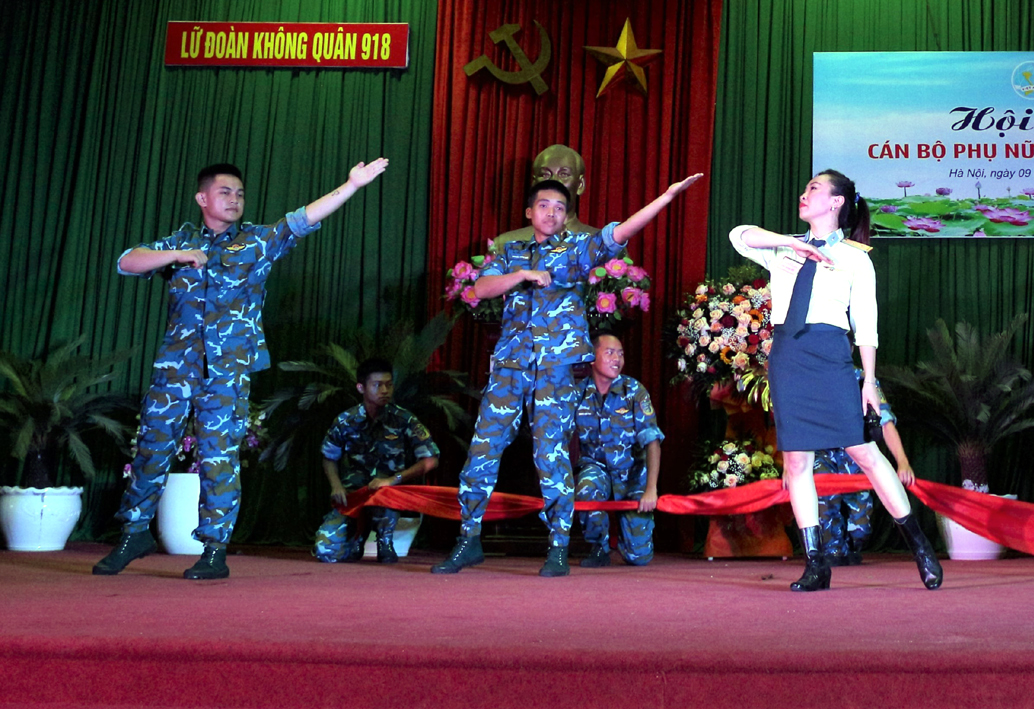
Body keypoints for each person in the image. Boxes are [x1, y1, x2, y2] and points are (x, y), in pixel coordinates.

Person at [94, 158, 389, 580]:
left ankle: (214, 550)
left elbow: (302, 219)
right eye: (225, 192)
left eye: (240, 193)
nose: (234, 200)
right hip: (176, 369)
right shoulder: (180, 240)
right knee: (151, 449)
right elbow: (127, 262)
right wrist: (177, 254)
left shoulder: (255, 242)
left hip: (227, 372)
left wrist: (351, 185)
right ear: (202, 198)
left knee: (219, 458)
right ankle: (134, 533)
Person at [434, 172, 701, 577]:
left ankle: (557, 546)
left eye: (560, 208)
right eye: (544, 205)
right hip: (510, 368)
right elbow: (482, 289)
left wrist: (664, 198)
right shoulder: (511, 251)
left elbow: (619, 232)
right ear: (529, 211)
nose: (552, 213)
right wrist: (522, 276)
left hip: (556, 372)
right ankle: (468, 540)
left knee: (551, 454)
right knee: (483, 451)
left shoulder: (576, 251)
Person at [730, 169, 941, 592]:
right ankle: (816, 563)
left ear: (837, 202)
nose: (804, 194)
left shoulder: (855, 257)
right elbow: (739, 234)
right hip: (788, 356)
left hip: (830, 357)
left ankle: (920, 547)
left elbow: (866, 326)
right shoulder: (784, 249)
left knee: (864, 452)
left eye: (813, 188)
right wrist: (790, 243)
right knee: (796, 461)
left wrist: (869, 383)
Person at [313, 358, 439, 564]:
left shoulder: (404, 419)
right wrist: (336, 486)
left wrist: (393, 479)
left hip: (388, 493)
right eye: (377, 385)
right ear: (361, 388)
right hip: (353, 496)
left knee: (384, 507)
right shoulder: (346, 420)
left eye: (389, 385)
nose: (384, 390)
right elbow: (329, 456)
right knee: (325, 552)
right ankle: (356, 537)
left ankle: (384, 540)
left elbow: (431, 460)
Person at [574, 332, 664, 568]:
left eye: (621, 354)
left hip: (632, 473)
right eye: (610, 352)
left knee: (639, 558)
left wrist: (651, 490)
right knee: (587, 487)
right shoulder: (577, 393)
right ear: (592, 358)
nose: (617, 359)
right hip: (596, 468)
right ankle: (599, 547)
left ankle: (629, 541)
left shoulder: (634, 391)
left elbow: (652, 441)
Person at [813, 379, 913, 566]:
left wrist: (902, 461)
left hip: (856, 456)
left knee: (861, 529)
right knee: (825, 511)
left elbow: (885, 422)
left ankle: (851, 545)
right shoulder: (815, 375)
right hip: (824, 453)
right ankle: (833, 550)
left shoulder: (862, 379)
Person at [494, 144, 600, 243]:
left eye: (564, 174)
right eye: (545, 175)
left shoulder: (600, 244)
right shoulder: (506, 244)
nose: (554, 181)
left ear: (580, 185)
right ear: (534, 184)